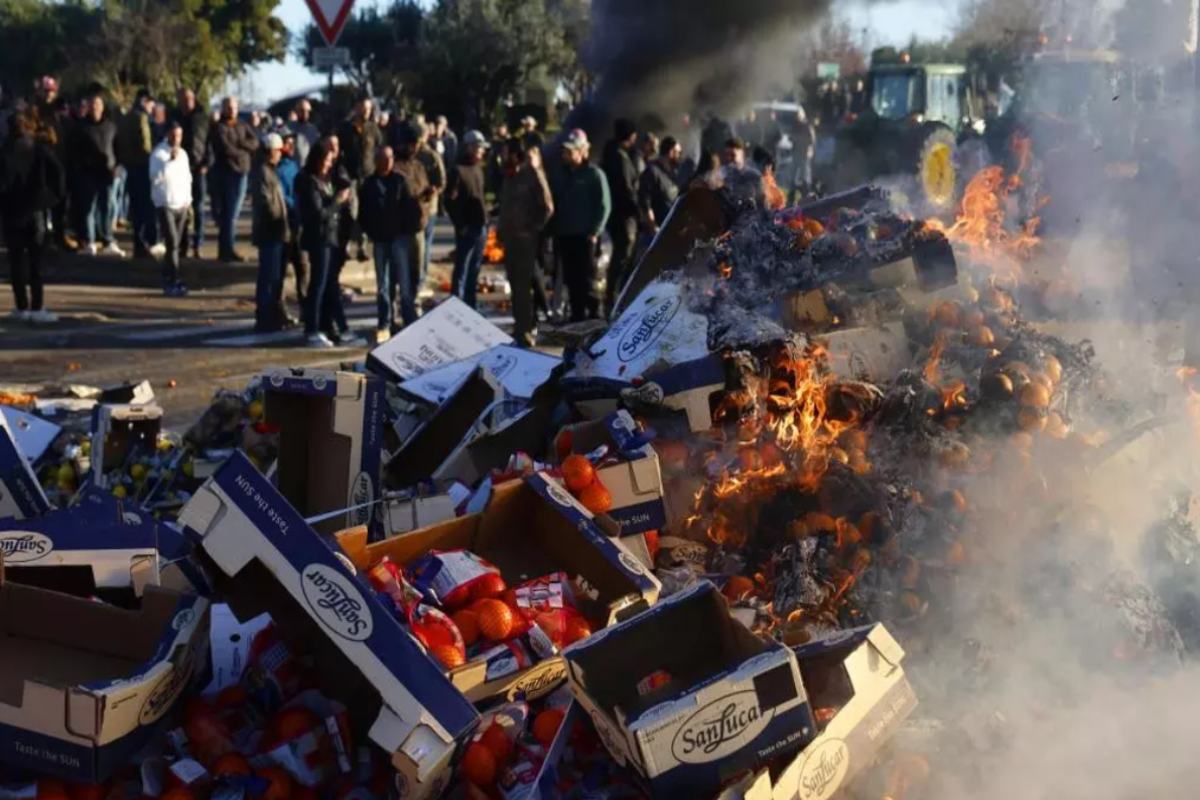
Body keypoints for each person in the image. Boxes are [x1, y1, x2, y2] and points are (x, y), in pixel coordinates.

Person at [297, 141, 365, 348]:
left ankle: (337, 327)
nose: (328, 165)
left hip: (331, 237)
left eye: (330, 162)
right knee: (319, 284)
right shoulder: (308, 180)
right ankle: (312, 329)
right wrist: (337, 201)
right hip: (319, 238)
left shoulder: (327, 178)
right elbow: (319, 214)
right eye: (325, 161)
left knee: (331, 285)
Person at [1, 112, 65, 322]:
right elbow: (58, 173)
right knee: (36, 262)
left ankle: (21, 306)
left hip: (11, 212)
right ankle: (37, 307)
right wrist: (52, 198)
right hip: (35, 211)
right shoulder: (38, 149)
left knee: (16, 262)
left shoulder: (4, 151)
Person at [498, 136, 553, 347]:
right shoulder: (509, 176)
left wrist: (533, 228)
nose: (502, 156)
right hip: (510, 240)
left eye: (505, 152)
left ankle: (525, 331)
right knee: (516, 286)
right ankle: (521, 324)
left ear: (514, 153)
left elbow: (547, 207)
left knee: (522, 288)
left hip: (525, 241)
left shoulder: (531, 174)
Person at [358, 144, 418, 338]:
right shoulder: (369, 184)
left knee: (404, 282)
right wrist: (370, 232)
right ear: (377, 161)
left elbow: (411, 208)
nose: (388, 162)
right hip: (380, 239)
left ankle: (409, 319)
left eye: (391, 158)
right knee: (383, 284)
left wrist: (406, 231)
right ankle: (385, 320)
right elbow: (363, 213)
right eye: (384, 159)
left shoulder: (400, 181)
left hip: (399, 238)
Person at [550, 129, 610, 322]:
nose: (566, 155)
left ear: (582, 151)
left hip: (585, 237)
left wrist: (595, 231)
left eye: (570, 151)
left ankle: (594, 318)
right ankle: (577, 318)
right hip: (565, 236)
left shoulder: (594, 175)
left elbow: (604, 206)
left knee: (588, 281)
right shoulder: (560, 176)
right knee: (571, 280)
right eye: (564, 151)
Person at [70, 93, 123, 257]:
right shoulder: (81, 127)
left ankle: (108, 240)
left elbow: (119, 149)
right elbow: (74, 151)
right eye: (92, 104)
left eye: (98, 104)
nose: (95, 108)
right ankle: (89, 241)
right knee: (89, 210)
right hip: (88, 173)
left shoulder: (111, 126)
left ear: (102, 107)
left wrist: (118, 167)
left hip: (107, 173)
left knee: (106, 208)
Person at [210, 96, 259, 262]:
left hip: (241, 173)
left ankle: (226, 249)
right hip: (226, 172)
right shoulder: (219, 128)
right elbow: (225, 149)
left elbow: (255, 143)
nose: (231, 110)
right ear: (223, 108)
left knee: (232, 214)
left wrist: (240, 144)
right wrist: (243, 149)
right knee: (228, 214)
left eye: (234, 107)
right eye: (228, 107)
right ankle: (226, 250)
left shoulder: (242, 125)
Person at [250, 134, 291, 332]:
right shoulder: (262, 172)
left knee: (275, 277)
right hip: (270, 231)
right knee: (268, 276)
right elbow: (266, 202)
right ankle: (264, 316)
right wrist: (277, 217)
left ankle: (272, 315)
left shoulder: (269, 171)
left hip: (277, 231)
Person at [445, 130, 490, 309]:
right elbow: (449, 200)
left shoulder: (479, 169)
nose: (481, 151)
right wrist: (460, 224)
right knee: (462, 271)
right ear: (469, 147)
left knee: (475, 271)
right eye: (479, 148)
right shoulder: (458, 170)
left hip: (481, 227)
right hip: (467, 228)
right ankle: (456, 307)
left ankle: (472, 307)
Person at [391, 121, 433, 303]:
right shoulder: (395, 167)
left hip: (419, 226)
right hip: (401, 229)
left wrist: (427, 194)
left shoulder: (418, 166)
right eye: (413, 145)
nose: (416, 148)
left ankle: (413, 303)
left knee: (417, 271)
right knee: (402, 274)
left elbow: (422, 188)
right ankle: (401, 308)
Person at [149, 121, 192, 297]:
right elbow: (155, 177)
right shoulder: (159, 154)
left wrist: (189, 200)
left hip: (181, 203)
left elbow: (187, 177)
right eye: (173, 135)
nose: (176, 139)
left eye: (179, 135)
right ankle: (170, 279)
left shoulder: (183, 154)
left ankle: (172, 276)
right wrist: (170, 162)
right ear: (167, 135)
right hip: (165, 203)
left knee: (177, 244)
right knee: (172, 242)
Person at [601, 118, 639, 314]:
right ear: (630, 136)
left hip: (617, 215)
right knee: (622, 258)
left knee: (621, 257)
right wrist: (638, 210)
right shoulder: (620, 157)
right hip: (623, 216)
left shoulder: (611, 154)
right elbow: (627, 189)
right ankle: (614, 299)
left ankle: (613, 297)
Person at [336, 97, 381, 262]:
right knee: (350, 211)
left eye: (368, 109)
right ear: (356, 108)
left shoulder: (373, 129)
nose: (366, 112)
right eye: (363, 108)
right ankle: (346, 245)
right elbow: (338, 152)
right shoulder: (345, 128)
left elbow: (379, 149)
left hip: (368, 176)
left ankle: (362, 247)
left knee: (365, 213)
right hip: (350, 177)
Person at [119, 89, 158, 258]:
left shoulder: (127, 116)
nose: (152, 106)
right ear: (144, 101)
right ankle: (143, 244)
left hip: (130, 166)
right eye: (150, 103)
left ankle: (139, 243)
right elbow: (145, 144)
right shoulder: (141, 118)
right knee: (145, 208)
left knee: (136, 208)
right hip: (143, 167)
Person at [173, 88, 210, 258]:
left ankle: (198, 244)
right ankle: (183, 245)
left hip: (198, 168)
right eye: (183, 98)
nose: (187, 101)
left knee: (199, 207)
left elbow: (210, 141)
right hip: (179, 169)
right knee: (181, 209)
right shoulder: (174, 118)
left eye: (190, 98)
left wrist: (207, 163)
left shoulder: (203, 118)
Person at [276, 130, 306, 312]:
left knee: (303, 266)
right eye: (287, 143)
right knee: (279, 269)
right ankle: (279, 306)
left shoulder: (294, 166)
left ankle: (305, 306)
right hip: (285, 223)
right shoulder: (277, 169)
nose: (291, 146)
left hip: (299, 222)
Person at [415, 119, 445, 285]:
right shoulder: (411, 154)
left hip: (428, 207)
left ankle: (421, 278)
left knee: (424, 246)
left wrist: (433, 191)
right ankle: (417, 277)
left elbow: (441, 181)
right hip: (413, 207)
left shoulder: (431, 156)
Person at [639, 136, 682, 236]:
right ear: (671, 152)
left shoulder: (673, 173)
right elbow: (645, 201)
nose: (680, 156)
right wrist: (653, 226)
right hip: (655, 234)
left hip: (670, 230)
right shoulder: (652, 171)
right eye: (678, 152)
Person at [752, 145, 786, 210]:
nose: (767, 168)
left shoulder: (769, 179)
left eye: (769, 165)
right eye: (765, 164)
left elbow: (780, 201)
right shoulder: (751, 178)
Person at [291, 99, 320, 167]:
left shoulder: (314, 130)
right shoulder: (288, 128)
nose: (305, 114)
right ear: (297, 111)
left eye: (308, 111)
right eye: (302, 110)